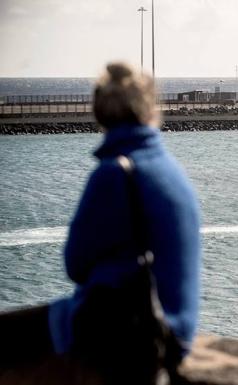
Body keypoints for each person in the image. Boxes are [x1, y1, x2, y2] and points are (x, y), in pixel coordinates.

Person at [0, 63, 201, 383]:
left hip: (129, 334)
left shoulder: (115, 172)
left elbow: (75, 265)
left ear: (99, 113)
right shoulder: (169, 168)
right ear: (151, 109)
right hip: (175, 334)